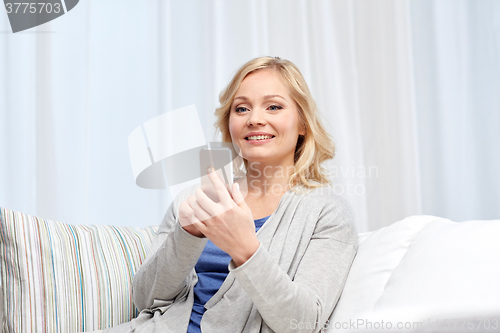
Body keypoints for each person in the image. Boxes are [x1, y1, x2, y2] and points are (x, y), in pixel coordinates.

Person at [103, 56, 358, 333]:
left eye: (273, 107)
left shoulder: (327, 212)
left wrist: (245, 249)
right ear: (230, 125)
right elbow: (145, 300)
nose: (254, 119)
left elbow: (304, 323)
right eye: (241, 109)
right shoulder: (193, 199)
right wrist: (186, 235)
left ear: (302, 124)